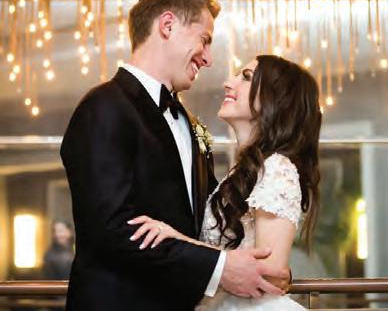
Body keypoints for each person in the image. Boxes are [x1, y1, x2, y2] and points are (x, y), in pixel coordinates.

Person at [60, 0, 289, 311]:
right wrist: (219, 269)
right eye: (204, 40)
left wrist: (267, 267)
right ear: (167, 25)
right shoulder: (104, 106)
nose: (208, 59)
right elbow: (109, 230)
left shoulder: (189, 123)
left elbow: (212, 221)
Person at [128, 55, 322, 310]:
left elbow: (270, 274)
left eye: (246, 77)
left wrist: (177, 239)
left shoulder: (278, 168)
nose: (228, 83)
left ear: (276, 99)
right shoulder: (243, 173)